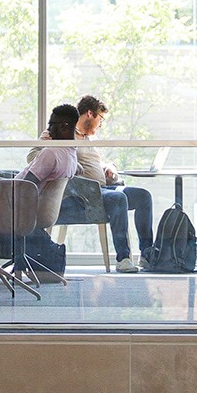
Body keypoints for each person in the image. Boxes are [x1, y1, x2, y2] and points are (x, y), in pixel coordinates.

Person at [60, 95, 155, 273]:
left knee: (143, 196)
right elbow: (44, 155)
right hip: (82, 194)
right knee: (118, 198)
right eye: (100, 119)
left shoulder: (88, 140)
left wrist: (109, 168)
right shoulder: (65, 135)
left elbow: (96, 163)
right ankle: (123, 258)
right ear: (89, 114)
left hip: (103, 189)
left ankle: (147, 255)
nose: (100, 125)